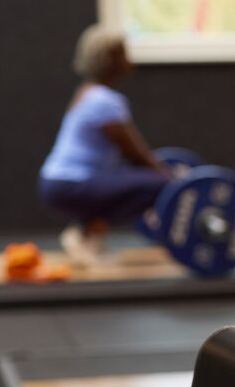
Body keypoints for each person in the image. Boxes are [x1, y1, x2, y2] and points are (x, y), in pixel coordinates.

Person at [37, 26, 176, 264]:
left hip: (55, 182)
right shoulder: (106, 102)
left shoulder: (86, 92)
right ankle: (85, 235)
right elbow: (135, 154)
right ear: (111, 61)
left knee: (134, 181)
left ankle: (86, 233)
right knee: (158, 184)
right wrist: (172, 180)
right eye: (123, 54)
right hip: (70, 185)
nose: (129, 60)